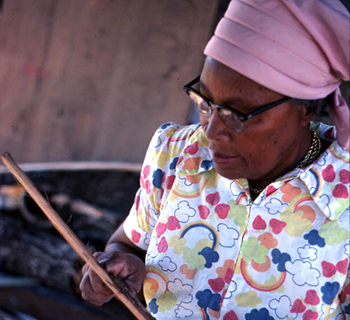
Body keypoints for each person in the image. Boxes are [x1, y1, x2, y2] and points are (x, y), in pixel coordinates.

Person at [80, 0, 350, 319]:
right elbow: (129, 243)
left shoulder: (342, 196)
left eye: (237, 114)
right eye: (206, 102)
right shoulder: (178, 156)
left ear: (305, 108)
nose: (212, 130)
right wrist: (118, 265)